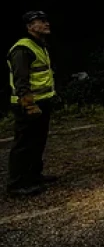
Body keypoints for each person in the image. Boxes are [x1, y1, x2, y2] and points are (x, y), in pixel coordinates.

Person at [7, 11, 58, 197]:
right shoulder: (22, 49)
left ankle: (34, 176)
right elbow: (21, 80)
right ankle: (17, 184)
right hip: (27, 104)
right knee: (24, 144)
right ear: (30, 27)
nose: (46, 24)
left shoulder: (40, 45)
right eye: (41, 21)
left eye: (46, 20)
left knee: (38, 140)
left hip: (42, 102)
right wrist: (29, 104)